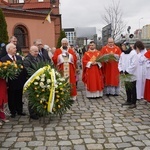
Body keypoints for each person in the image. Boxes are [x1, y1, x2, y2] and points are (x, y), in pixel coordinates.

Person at [0, 43, 26, 118]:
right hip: (10, 82)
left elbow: (23, 68)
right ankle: (13, 111)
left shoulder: (19, 58)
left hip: (19, 81)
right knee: (12, 97)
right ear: (9, 50)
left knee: (19, 96)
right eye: (14, 48)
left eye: (15, 48)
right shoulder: (3, 59)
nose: (16, 49)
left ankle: (20, 110)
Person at [118, 41, 138, 109]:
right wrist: (120, 70)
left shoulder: (133, 53)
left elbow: (134, 64)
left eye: (123, 45)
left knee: (132, 88)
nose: (122, 47)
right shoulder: (122, 54)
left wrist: (127, 71)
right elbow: (120, 63)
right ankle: (128, 100)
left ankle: (133, 102)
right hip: (124, 74)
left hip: (132, 74)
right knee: (127, 88)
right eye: (121, 46)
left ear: (127, 46)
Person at [23, 46, 41, 120]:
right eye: (35, 51)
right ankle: (32, 113)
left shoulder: (38, 58)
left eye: (37, 51)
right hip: (31, 80)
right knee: (32, 97)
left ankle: (38, 111)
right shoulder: (27, 59)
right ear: (30, 51)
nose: (37, 53)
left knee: (38, 96)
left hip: (38, 80)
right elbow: (27, 70)